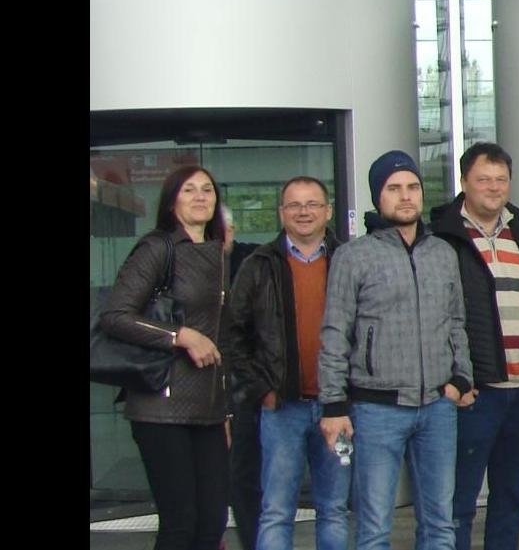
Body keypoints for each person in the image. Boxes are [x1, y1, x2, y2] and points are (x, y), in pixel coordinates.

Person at [320, 151, 474, 550]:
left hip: (437, 407)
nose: (405, 196)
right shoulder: (353, 256)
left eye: (412, 187)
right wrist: (334, 404)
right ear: (378, 197)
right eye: (393, 188)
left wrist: (461, 377)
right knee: (374, 527)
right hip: (377, 409)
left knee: (440, 525)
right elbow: (335, 333)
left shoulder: (442, 252)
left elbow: (456, 321)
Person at [430, 143, 519, 550]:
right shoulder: (443, 237)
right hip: (475, 393)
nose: (493, 187)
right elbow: (434, 317)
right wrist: (457, 380)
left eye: (501, 179)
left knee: (510, 498)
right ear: (464, 182)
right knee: (458, 501)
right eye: (483, 179)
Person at [99, 165, 234, 550]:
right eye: (189, 190)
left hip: (208, 409)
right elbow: (115, 316)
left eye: (207, 189)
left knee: (212, 523)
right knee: (180, 525)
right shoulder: (158, 247)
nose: (200, 196)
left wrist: (225, 411)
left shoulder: (218, 253)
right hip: (161, 406)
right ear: (172, 202)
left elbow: (222, 338)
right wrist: (180, 336)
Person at [226, 176, 351, 550]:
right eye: (294, 205)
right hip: (281, 409)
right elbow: (233, 335)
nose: (303, 212)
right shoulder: (258, 264)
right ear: (281, 213)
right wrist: (262, 389)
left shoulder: (348, 260)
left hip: (337, 409)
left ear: (328, 211)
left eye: (312, 204)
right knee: (276, 510)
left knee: (334, 508)